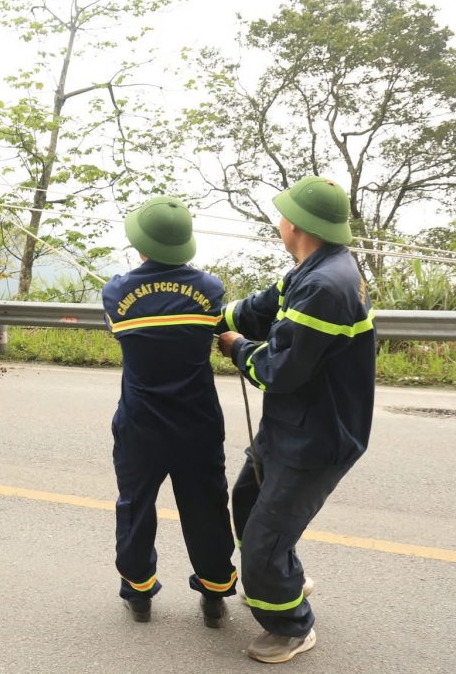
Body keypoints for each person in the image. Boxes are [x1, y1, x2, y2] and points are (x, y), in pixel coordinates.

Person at [215, 176, 376, 664]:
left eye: (282, 215)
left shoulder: (326, 285)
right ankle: (284, 574)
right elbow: (262, 307)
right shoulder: (314, 268)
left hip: (317, 438)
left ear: (297, 225)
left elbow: (279, 371)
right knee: (247, 499)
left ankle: (292, 626)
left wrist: (236, 347)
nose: (278, 222)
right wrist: (216, 317)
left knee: (261, 547)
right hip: (291, 426)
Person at [101, 196, 238, 628]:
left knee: (136, 507)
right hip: (198, 423)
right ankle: (215, 594)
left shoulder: (117, 293)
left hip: (141, 425)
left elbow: (122, 329)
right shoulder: (211, 290)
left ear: (139, 242)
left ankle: (139, 594)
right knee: (207, 508)